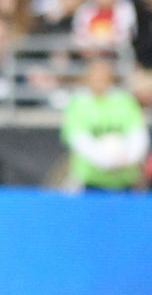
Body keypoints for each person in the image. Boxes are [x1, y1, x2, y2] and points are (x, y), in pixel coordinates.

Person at [62, 54, 148, 192]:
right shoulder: (79, 103)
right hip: (90, 180)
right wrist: (105, 160)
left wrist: (127, 158)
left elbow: (138, 134)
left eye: (103, 75)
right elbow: (77, 138)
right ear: (88, 78)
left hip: (125, 180)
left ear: (111, 78)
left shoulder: (124, 101)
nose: (99, 79)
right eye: (96, 75)